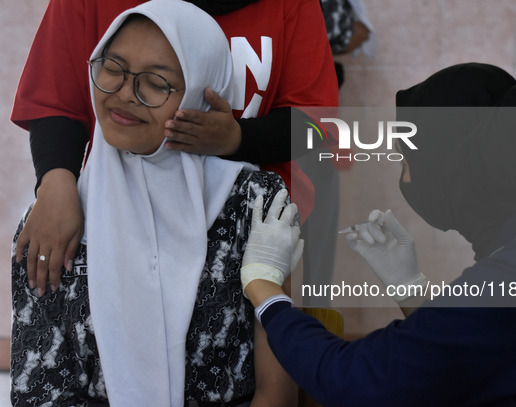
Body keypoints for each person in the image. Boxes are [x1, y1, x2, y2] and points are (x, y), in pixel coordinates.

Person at [239, 63, 516, 407]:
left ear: (454, 177)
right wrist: (411, 288)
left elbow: (357, 381)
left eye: (407, 164)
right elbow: (462, 354)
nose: (404, 180)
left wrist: (266, 290)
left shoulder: (514, 284)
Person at [11, 1, 298, 407]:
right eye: (112, 68)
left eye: (157, 83)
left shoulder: (257, 203)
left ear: (202, 94)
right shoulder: (58, 215)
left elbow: (277, 392)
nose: (125, 95)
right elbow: (40, 393)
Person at [11, 0, 338, 296]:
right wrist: (55, 185)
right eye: (114, 69)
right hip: (116, 219)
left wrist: (237, 138)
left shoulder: (290, 5)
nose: (129, 95)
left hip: (249, 234)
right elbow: (57, 98)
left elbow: (318, 124)